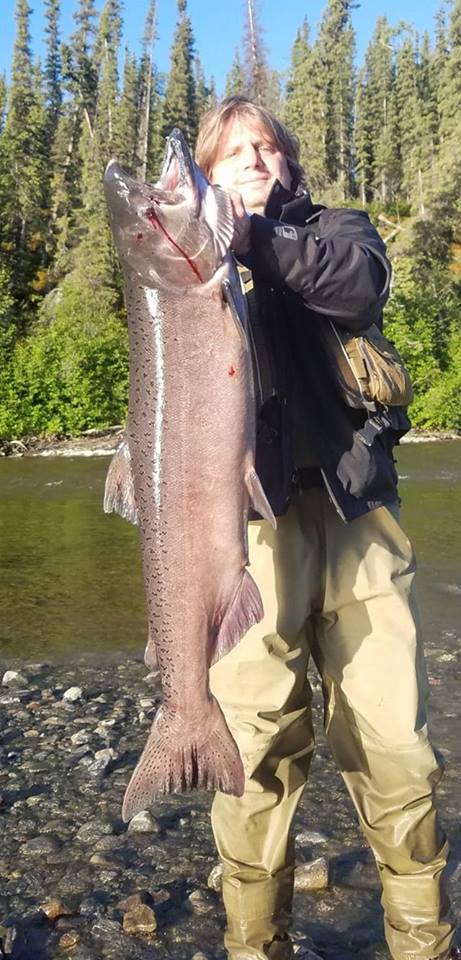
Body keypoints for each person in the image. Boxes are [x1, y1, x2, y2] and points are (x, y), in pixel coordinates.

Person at [194, 97, 459, 960]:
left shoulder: (335, 232)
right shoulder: (188, 259)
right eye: (233, 152)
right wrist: (208, 247)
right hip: (245, 534)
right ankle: (251, 945)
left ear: (288, 164)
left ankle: (422, 945)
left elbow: (356, 287)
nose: (253, 161)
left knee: (393, 746)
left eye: (265, 148)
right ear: (207, 169)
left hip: (356, 522)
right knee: (252, 750)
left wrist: (253, 242)